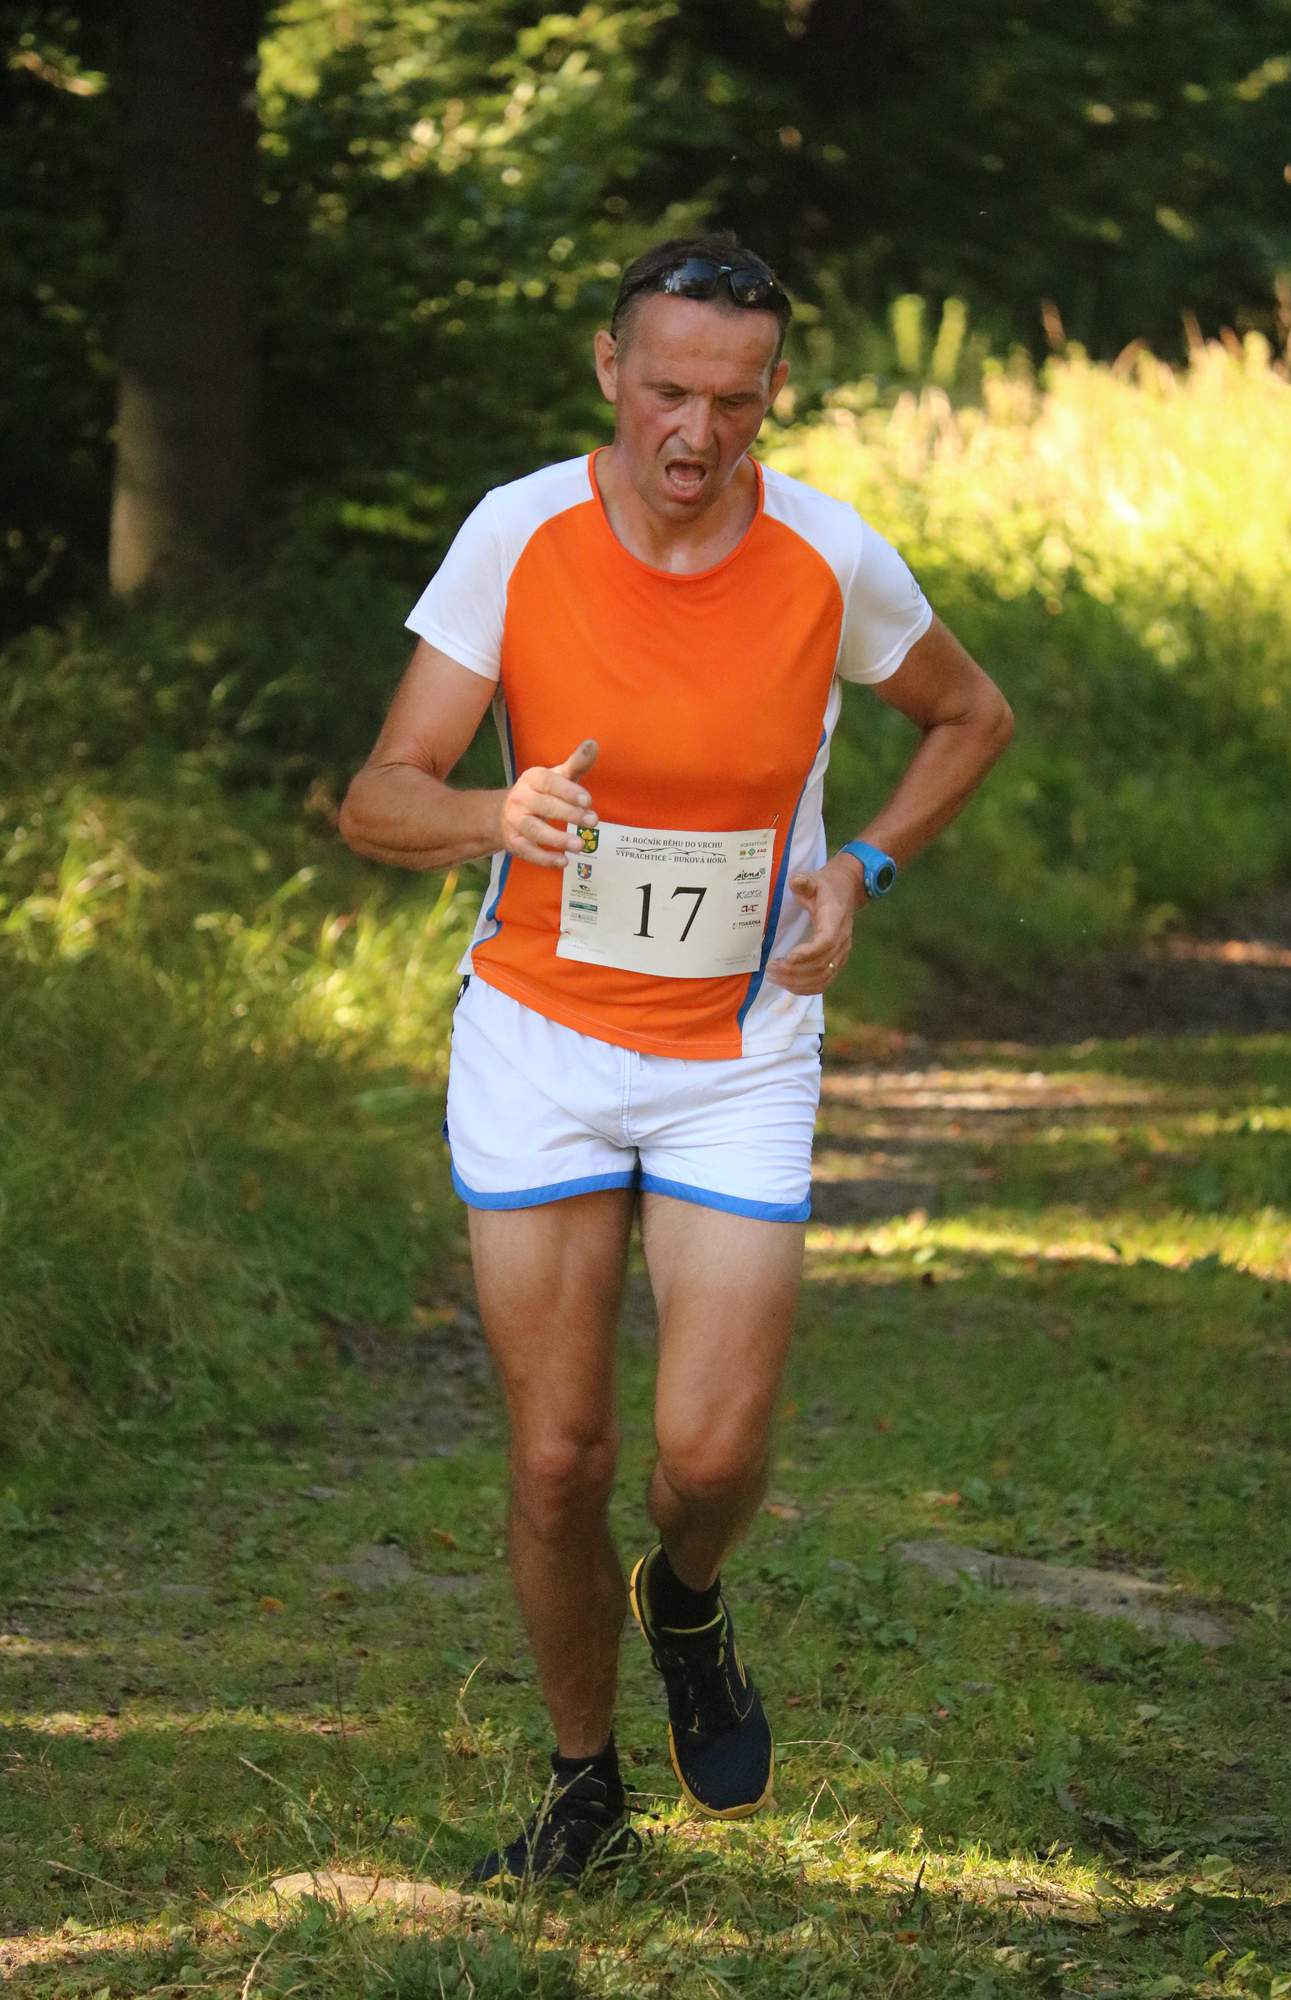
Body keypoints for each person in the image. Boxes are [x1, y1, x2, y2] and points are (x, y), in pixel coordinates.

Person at [339, 231, 1013, 1887]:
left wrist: (861, 871)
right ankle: (584, 1783)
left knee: (703, 1458)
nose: (695, 433)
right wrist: (491, 814)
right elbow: (377, 797)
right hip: (540, 1042)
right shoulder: (517, 534)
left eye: (734, 401)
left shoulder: (828, 555)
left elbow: (970, 715)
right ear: (608, 370)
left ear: (771, 394)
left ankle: (690, 1602)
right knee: (556, 1456)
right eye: (665, 393)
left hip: (739, 1049)